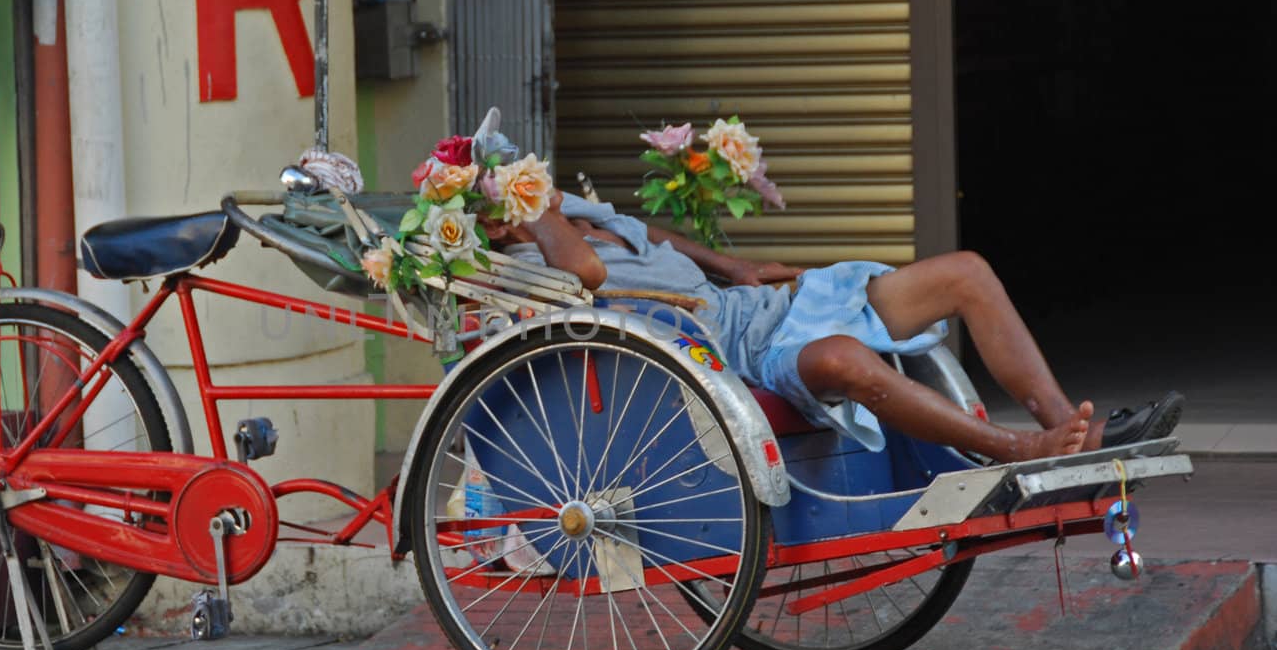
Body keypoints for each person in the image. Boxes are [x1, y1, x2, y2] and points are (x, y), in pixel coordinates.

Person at [485, 190, 1183, 465]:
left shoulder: (586, 221)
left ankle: (1071, 429)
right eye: (520, 189)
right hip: (739, 353)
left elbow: (650, 235)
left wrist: (734, 262)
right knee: (843, 358)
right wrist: (525, 208)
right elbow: (589, 272)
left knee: (966, 271)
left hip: (778, 304)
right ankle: (1014, 446)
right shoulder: (538, 258)